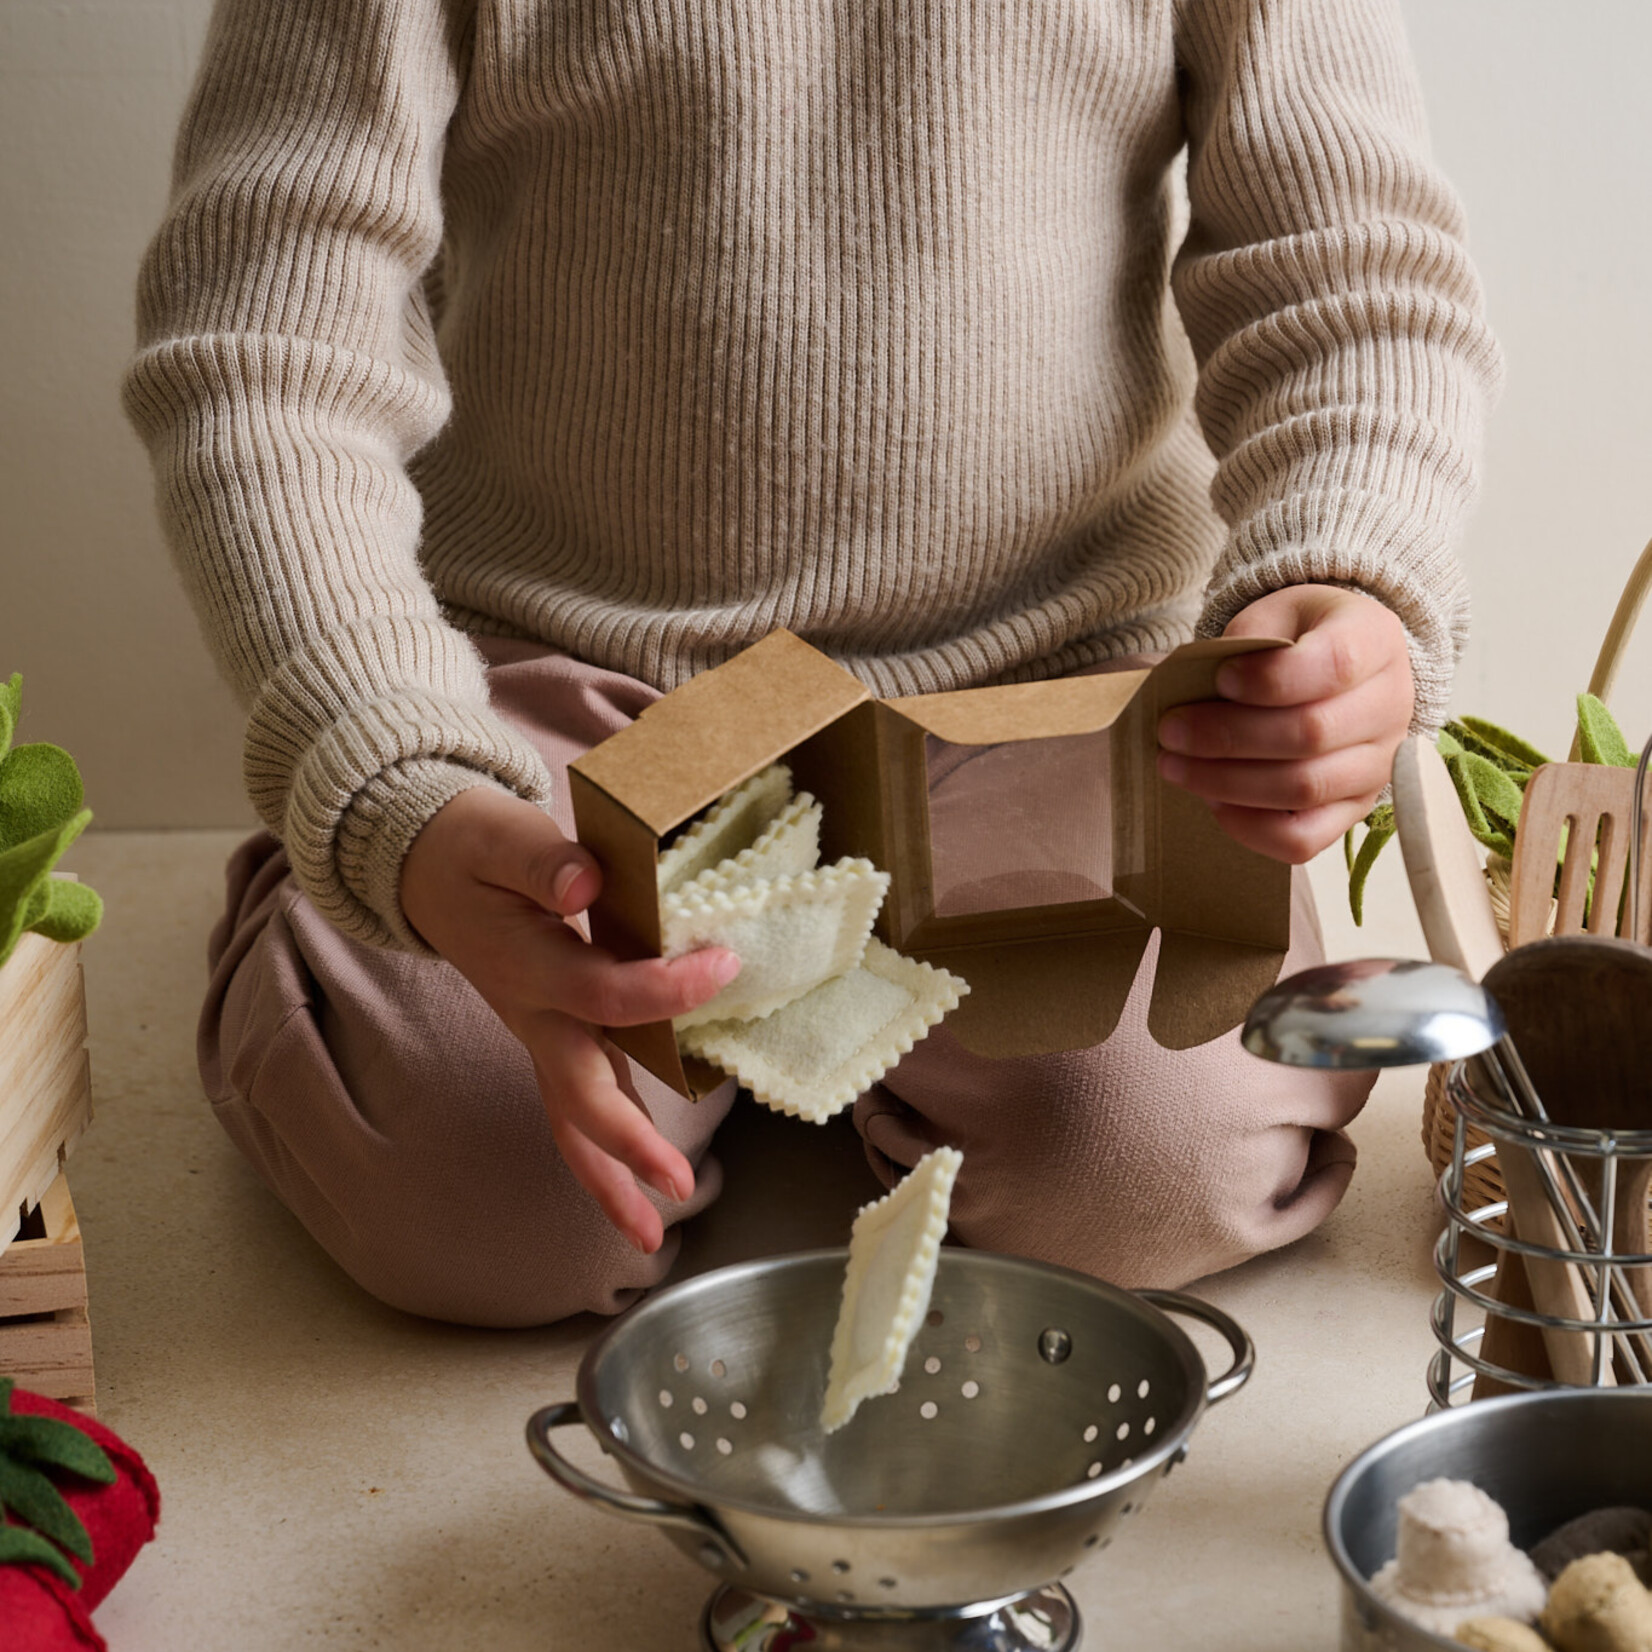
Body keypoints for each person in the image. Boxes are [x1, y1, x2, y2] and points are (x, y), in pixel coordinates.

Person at [124, 0, 1500, 1326]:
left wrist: (1347, 573)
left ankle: (825, 1035)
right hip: (559, 680)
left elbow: (1349, 265)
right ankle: (371, 930)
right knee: (488, 1198)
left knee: (1149, 1175)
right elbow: (271, 339)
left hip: (1047, 686)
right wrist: (390, 775)